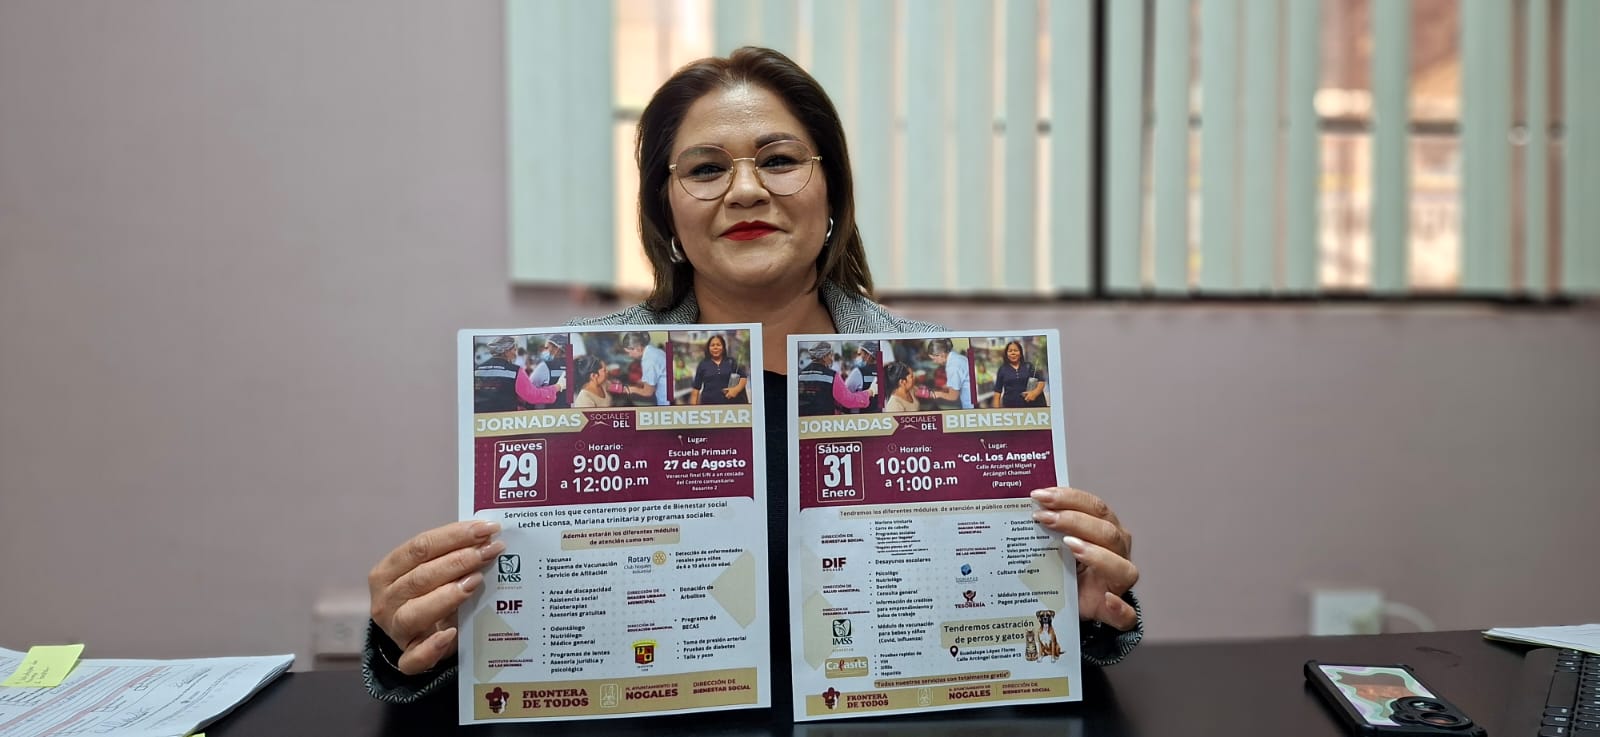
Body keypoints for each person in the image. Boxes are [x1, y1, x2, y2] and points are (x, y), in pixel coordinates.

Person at [365, 46, 1140, 709]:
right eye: (706, 168)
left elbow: (1025, 643)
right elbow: (518, 638)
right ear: (667, 211)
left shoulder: (947, 370)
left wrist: (1085, 609)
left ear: (831, 189)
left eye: (778, 160)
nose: (745, 190)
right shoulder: (579, 377)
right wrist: (413, 641)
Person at [797, 341, 872, 416]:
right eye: (830, 355)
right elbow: (847, 400)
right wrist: (867, 393)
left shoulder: (799, 374)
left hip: (803, 421)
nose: (831, 359)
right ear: (824, 357)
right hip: (824, 420)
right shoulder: (832, 376)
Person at [691, 333, 748, 404]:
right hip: (708, 406)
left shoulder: (731, 362)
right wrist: (692, 408)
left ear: (723, 347)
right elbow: (696, 389)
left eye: (718, 345)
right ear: (708, 348)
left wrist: (736, 390)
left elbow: (743, 378)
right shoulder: (703, 364)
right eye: (712, 345)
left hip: (730, 406)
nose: (715, 347)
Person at [993, 340, 1047, 408]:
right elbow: (997, 393)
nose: (1013, 353)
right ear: (1006, 354)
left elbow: (1041, 382)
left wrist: (1034, 393)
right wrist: (996, 411)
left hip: (1031, 407)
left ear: (1020, 353)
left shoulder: (1029, 366)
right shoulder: (1002, 369)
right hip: (1011, 409)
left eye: (1016, 350)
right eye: (1010, 351)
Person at [621, 331, 669, 406]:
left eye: (629, 352)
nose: (629, 355)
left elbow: (648, 392)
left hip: (665, 401)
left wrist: (631, 389)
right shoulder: (654, 351)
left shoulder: (648, 361)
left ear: (638, 348)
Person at [926, 337, 973, 409]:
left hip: (970, 403)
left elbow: (953, 396)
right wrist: (949, 386)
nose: (934, 362)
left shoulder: (952, 367)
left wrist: (938, 394)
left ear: (942, 354)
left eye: (934, 359)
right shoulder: (957, 357)